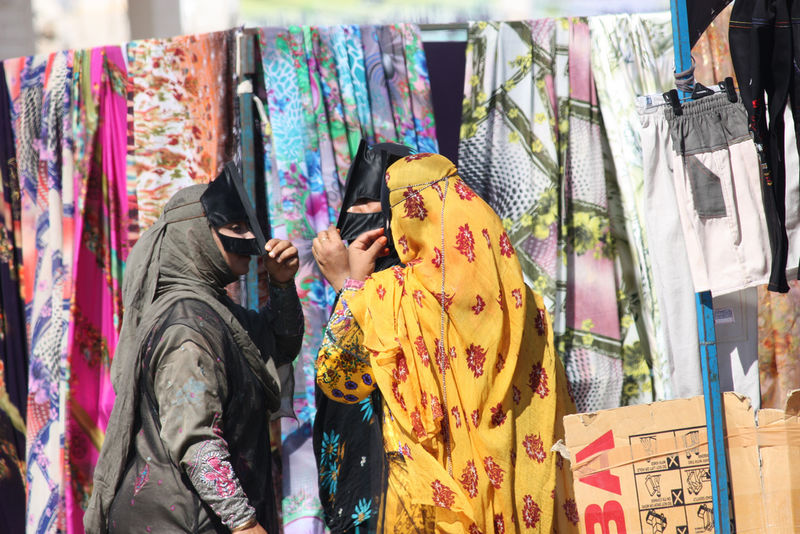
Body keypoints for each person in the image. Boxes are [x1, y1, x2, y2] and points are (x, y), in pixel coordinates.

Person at [315, 153, 578, 532]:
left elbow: (338, 377)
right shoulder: (524, 301)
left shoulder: (394, 297)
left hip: (436, 509)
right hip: (520, 499)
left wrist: (350, 288)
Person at [84, 163, 303, 534]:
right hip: (178, 523)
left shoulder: (217, 313)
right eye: (235, 228)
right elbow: (196, 438)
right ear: (196, 235)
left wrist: (281, 285)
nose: (251, 239)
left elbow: (280, 343)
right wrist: (244, 523)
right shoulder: (186, 325)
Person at [310, 140, 410, 534]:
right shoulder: (360, 280)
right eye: (353, 205)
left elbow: (386, 367)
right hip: (352, 491)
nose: (356, 218)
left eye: (372, 206)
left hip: (402, 493)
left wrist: (346, 283)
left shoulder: (421, 286)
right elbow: (334, 381)